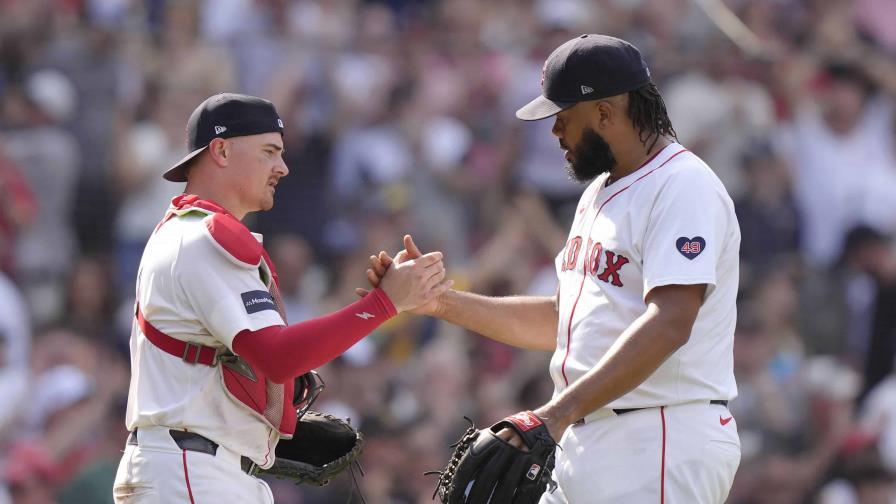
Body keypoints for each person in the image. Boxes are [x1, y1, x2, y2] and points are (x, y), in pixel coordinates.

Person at [365, 35, 741, 503]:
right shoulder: (599, 193)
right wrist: (442, 301)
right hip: (584, 437)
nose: (555, 132)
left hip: (660, 435)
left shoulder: (682, 185)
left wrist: (555, 414)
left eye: (564, 117)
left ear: (605, 112)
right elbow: (563, 321)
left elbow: (671, 322)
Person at [112, 93, 450, 503]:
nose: (283, 167)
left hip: (205, 465)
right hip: (192, 468)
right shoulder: (202, 239)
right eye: (269, 151)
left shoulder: (192, 234)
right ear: (221, 150)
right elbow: (276, 356)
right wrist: (384, 304)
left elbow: (257, 365)